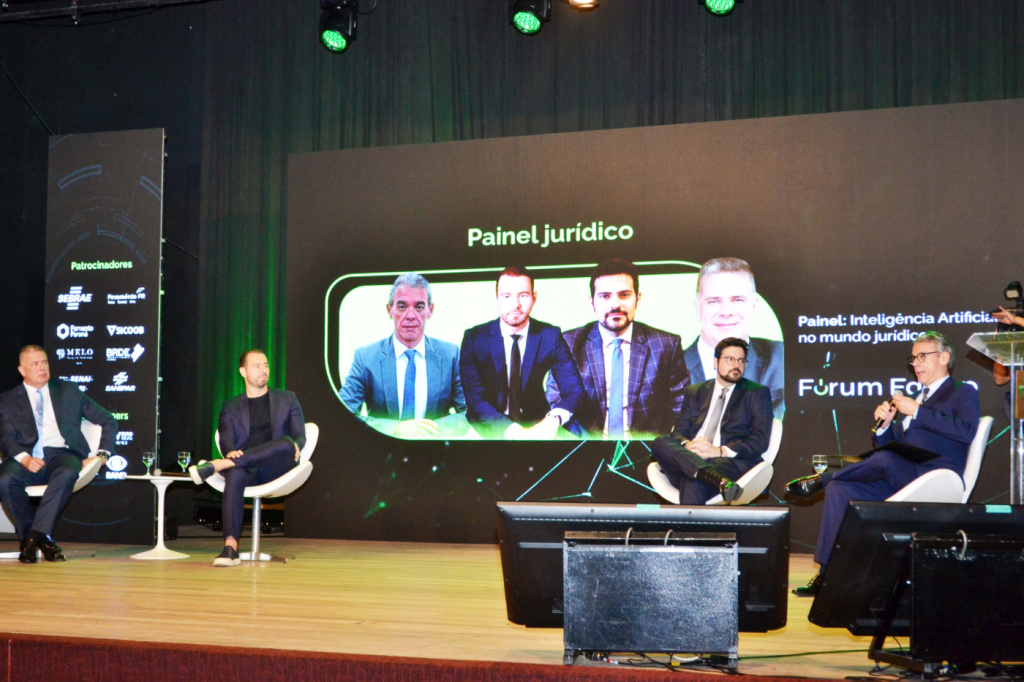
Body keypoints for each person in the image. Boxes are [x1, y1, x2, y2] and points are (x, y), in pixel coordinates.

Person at [787, 331, 980, 596]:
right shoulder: (918, 397)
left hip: (936, 479)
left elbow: (967, 431)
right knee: (840, 489)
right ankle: (827, 575)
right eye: (913, 358)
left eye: (922, 357)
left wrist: (917, 411)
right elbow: (893, 447)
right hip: (904, 478)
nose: (916, 364)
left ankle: (822, 479)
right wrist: (885, 427)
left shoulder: (961, 391)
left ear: (944, 357)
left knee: (883, 460)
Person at [546, 258, 689, 440]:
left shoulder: (666, 345)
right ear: (592, 302)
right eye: (605, 296)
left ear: (637, 299)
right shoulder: (568, 343)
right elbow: (556, 398)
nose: (615, 305)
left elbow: (682, 406)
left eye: (624, 295)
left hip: (647, 447)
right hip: (585, 446)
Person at [0, 345, 117, 563]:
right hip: (25, 457)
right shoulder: (6, 400)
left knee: (67, 473)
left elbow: (108, 420)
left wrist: (102, 455)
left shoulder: (69, 391)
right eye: (35, 364)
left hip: (61, 455)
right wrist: (25, 459)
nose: (42, 368)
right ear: (22, 370)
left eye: (44, 362)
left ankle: (31, 540)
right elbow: (6, 438)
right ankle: (41, 539)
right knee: (6, 480)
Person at [189, 349, 306, 567]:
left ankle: (219, 465)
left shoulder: (287, 398)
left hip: (277, 466)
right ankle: (230, 547)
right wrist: (229, 453)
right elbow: (226, 439)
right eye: (257, 366)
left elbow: (300, 435)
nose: (264, 370)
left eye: (266, 365)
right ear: (243, 371)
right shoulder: (230, 406)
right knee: (235, 473)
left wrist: (296, 445)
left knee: (286, 442)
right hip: (247, 469)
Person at [460, 266, 585, 439]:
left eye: (523, 295)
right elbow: (475, 400)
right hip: (485, 426)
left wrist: (553, 420)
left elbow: (574, 389)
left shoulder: (551, 336)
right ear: (496, 299)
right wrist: (515, 431)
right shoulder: (474, 338)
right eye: (507, 296)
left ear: (534, 298)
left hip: (537, 424)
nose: (515, 305)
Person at [339, 273, 468, 438]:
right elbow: (342, 414)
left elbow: (470, 412)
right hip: (382, 451)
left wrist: (426, 430)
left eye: (419, 307)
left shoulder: (451, 355)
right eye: (402, 307)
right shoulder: (365, 358)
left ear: (430, 310)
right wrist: (395, 428)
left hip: (434, 449)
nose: (411, 315)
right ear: (390, 310)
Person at [651, 337, 773, 504]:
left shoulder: (756, 393)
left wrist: (719, 451)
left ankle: (705, 476)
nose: (736, 365)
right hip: (689, 459)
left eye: (741, 361)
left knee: (693, 481)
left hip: (729, 464)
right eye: (730, 359)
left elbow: (759, 439)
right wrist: (688, 446)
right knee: (660, 441)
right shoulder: (695, 392)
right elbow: (679, 432)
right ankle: (713, 478)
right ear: (716, 362)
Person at [683, 258, 785, 418]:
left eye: (737, 300)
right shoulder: (665, 369)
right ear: (697, 308)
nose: (726, 312)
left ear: (753, 306)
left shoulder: (783, 357)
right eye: (713, 301)